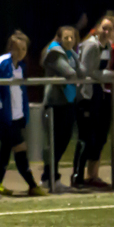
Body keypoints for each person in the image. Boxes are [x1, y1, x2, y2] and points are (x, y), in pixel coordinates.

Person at [0, 30, 47, 197]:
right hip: (3, 118)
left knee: (6, 150)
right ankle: (32, 185)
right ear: (10, 48)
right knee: (20, 148)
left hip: (16, 117)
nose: (21, 52)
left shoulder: (21, 67)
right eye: (18, 48)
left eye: (24, 49)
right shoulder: (2, 62)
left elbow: (20, 92)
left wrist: (23, 114)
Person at [72, 16, 114, 188]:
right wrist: (113, 75)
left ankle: (88, 177)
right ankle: (77, 176)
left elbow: (101, 69)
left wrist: (111, 73)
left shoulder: (106, 46)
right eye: (104, 28)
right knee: (85, 137)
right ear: (97, 28)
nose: (107, 32)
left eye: (111, 29)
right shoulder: (91, 45)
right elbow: (89, 72)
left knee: (94, 136)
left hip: (96, 92)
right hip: (85, 94)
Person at [40, 26, 83, 192]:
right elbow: (69, 72)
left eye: (72, 38)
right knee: (55, 142)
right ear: (59, 38)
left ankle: (50, 177)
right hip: (55, 103)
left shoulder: (71, 54)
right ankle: (50, 178)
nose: (70, 41)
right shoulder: (55, 53)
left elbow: (82, 71)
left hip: (68, 101)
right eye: (66, 38)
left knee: (63, 141)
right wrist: (76, 74)